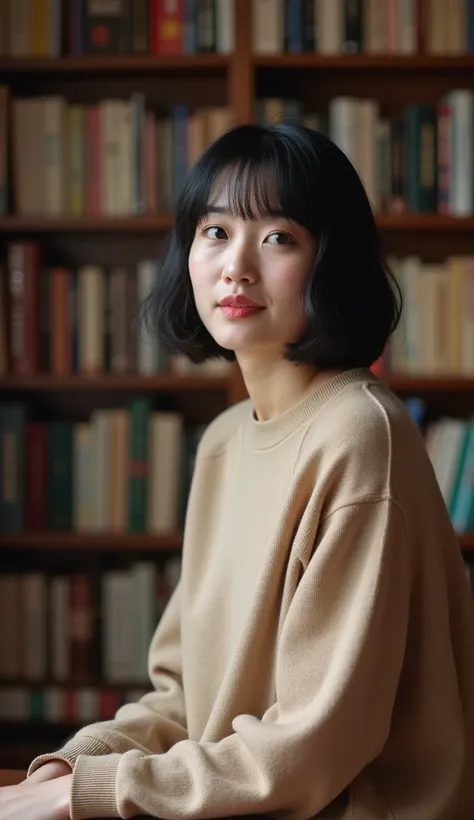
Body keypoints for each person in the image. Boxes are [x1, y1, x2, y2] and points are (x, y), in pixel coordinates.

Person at [2, 123, 474, 820]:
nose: (237, 266)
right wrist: (67, 769)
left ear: (329, 263)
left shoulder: (358, 434)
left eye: (278, 237)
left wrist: (83, 796)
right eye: (215, 231)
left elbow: (313, 746)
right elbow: (182, 698)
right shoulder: (224, 441)